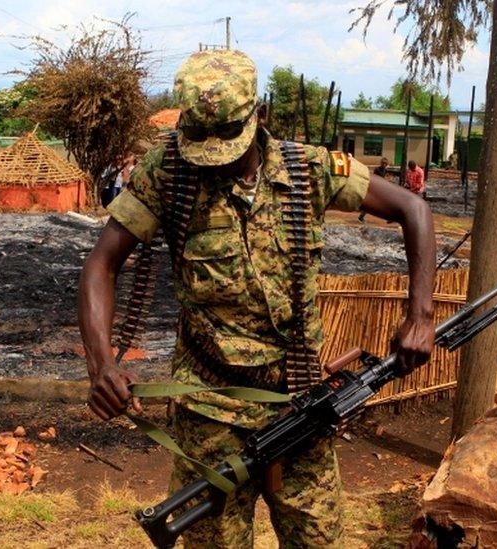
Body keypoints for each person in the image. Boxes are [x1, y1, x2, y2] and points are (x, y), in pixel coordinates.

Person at [78, 49, 436, 547]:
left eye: (228, 141)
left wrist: (420, 315)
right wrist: (102, 365)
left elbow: (413, 209)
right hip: (210, 412)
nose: (215, 159)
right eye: (200, 139)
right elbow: (101, 264)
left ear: (259, 116)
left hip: (301, 405)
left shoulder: (311, 168)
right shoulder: (168, 172)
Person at [358, 157, 389, 222]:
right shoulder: (377, 169)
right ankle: (361, 215)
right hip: (376, 188)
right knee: (372, 203)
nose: (384, 165)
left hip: (381, 188)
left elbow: (384, 178)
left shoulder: (385, 170)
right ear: (381, 163)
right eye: (383, 163)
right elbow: (375, 178)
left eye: (385, 164)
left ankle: (388, 217)